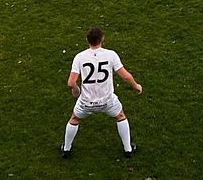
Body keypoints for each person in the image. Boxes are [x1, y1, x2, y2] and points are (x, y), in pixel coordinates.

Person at [61, 27, 143, 158]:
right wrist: (136, 86)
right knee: (120, 116)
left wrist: (76, 90)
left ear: (87, 40)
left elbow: (71, 82)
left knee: (74, 119)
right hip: (107, 101)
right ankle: (128, 150)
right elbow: (126, 76)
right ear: (102, 39)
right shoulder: (111, 55)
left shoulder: (80, 57)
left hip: (86, 102)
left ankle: (66, 149)